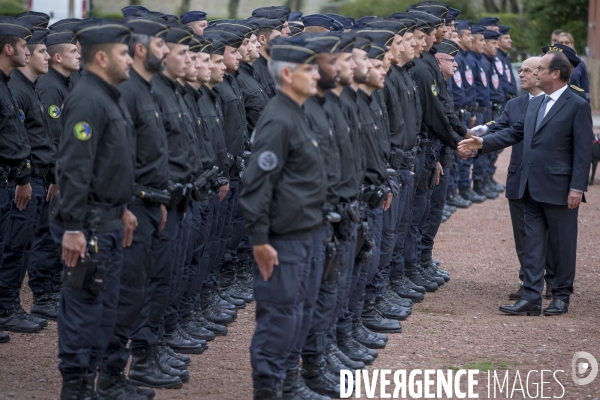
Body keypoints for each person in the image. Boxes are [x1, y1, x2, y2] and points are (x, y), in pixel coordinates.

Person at [458, 51, 593, 316]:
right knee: (532, 243)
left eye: (540, 69)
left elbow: (583, 150)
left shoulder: (577, 105)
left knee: (561, 244)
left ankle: (560, 296)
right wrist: (482, 144)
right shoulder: (534, 104)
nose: (534, 73)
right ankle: (531, 296)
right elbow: (514, 132)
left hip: (559, 188)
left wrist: (577, 187)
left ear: (555, 73)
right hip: (529, 185)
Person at [49, 18, 136, 398]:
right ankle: (76, 386)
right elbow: (74, 168)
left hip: (110, 219)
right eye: (122, 53)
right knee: (85, 308)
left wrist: (124, 208)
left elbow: (110, 163)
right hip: (88, 224)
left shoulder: (108, 95)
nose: (130, 60)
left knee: (104, 309)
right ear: (101, 57)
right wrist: (72, 228)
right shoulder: (87, 99)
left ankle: (95, 383)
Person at [239, 36, 328, 400]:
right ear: (288, 74)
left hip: (307, 231)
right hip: (283, 237)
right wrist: (260, 240)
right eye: (310, 70)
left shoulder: (299, 112)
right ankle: (268, 386)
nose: (317, 75)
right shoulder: (278, 119)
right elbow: (256, 186)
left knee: (300, 312)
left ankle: (288, 382)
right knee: (280, 315)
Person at [99, 18, 184, 396]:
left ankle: (120, 371)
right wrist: (127, 205)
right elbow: (116, 156)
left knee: (138, 291)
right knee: (125, 294)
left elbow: (154, 154)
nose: (166, 52)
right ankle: (109, 377)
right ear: (140, 50)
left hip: (150, 205)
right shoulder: (129, 92)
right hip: (132, 208)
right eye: (162, 45)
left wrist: (159, 200)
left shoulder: (147, 90)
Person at [7, 26, 56, 328]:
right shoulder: (17, 88)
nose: (44, 55)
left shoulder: (32, 88)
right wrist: (23, 179)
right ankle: (8, 307)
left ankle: (12, 305)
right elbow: (16, 140)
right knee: (16, 246)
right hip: (22, 179)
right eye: (38, 50)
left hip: (39, 176)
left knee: (24, 245)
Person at [0, 17, 34, 341]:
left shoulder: (6, 84)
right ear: (8, 48)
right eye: (25, 45)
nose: (31, 50)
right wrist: (23, 176)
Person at [36, 27, 80, 148]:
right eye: (73, 52)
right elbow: (55, 134)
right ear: (58, 57)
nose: (78, 56)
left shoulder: (64, 80)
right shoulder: (50, 87)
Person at [556, 32, 590, 99]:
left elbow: (585, 88)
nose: (564, 44)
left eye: (567, 42)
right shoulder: (551, 62)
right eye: (561, 42)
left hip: (575, 102)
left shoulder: (580, 64)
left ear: (572, 44)